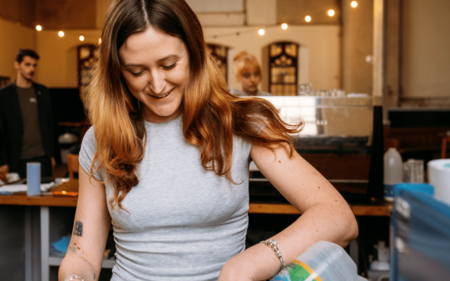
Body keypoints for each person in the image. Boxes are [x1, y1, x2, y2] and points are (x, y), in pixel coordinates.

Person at [58, 0, 358, 280]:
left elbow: (337, 217)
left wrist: (251, 262)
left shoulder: (239, 123)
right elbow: (82, 252)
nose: (158, 84)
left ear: (194, 53)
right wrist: (74, 274)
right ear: (118, 72)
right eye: (137, 71)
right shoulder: (100, 140)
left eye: (169, 64)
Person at [0, 49, 55, 182]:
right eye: (27, 64)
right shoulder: (5, 95)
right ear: (17, 65)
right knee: (20, 200)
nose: (31, 69)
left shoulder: (43, 92)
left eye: (34, 65)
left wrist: (52, 155)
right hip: (17, 160)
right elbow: (0, 130)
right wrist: (2, 161)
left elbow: (50, 124)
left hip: (42, 158)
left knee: (45, 199)